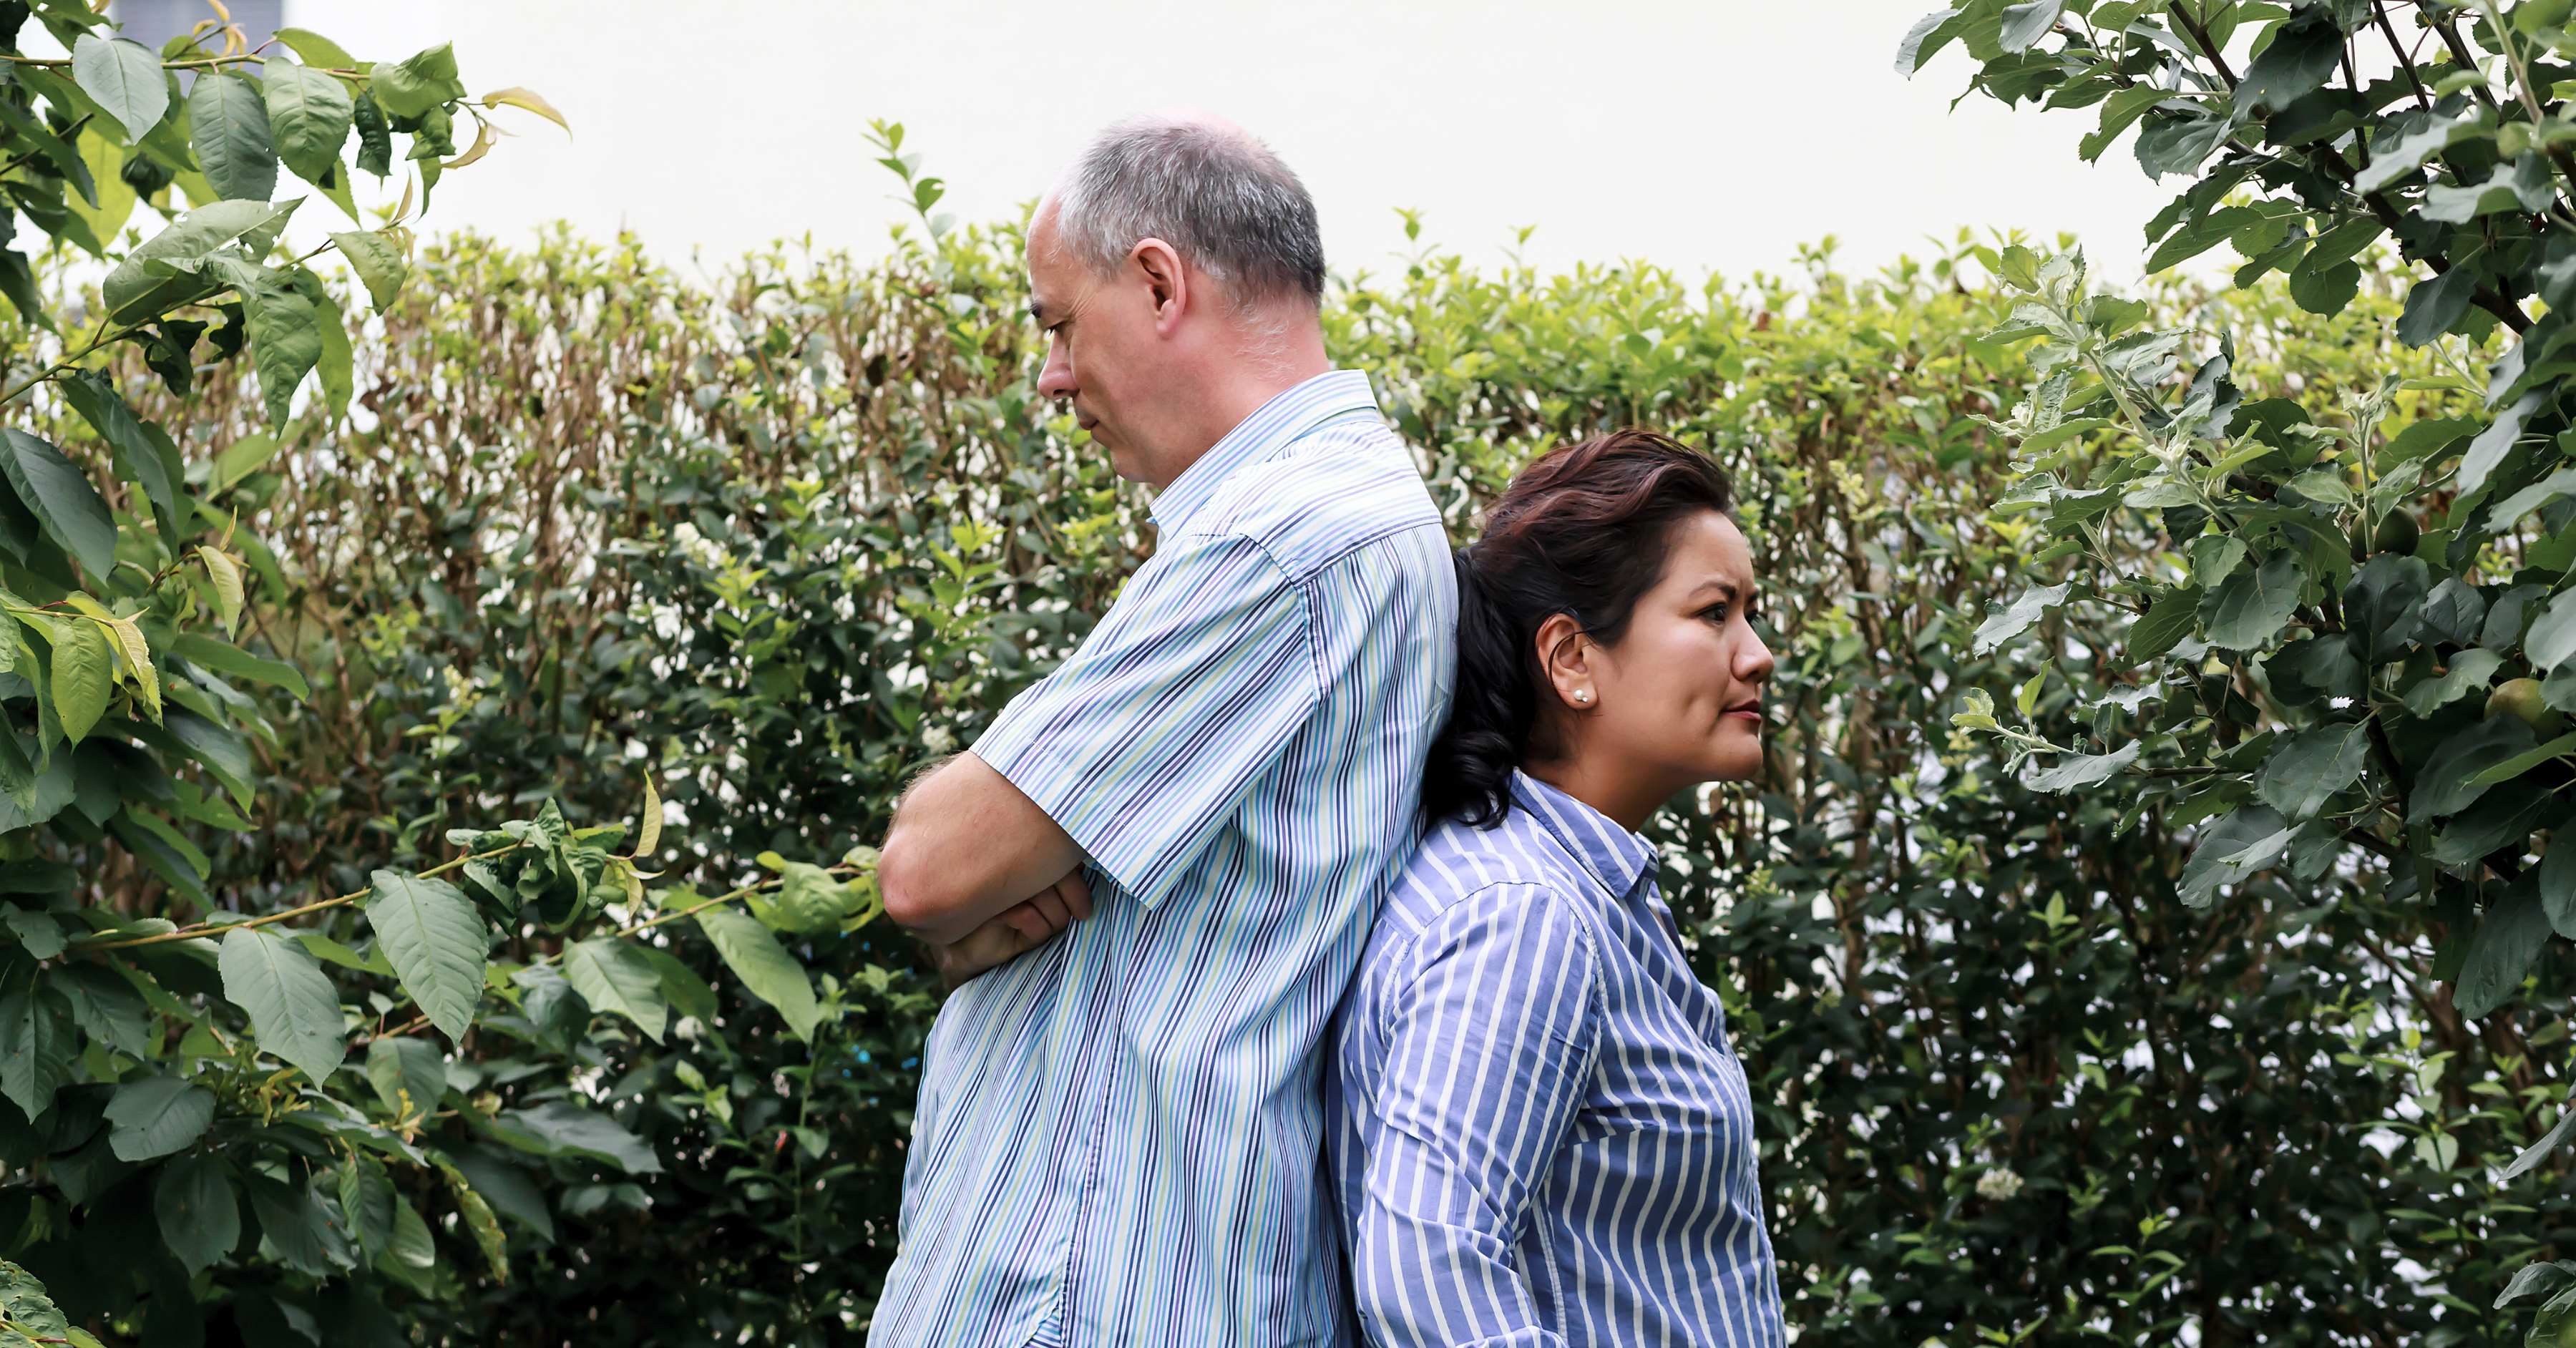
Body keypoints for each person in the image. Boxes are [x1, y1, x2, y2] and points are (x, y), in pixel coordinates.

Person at [869, 110, 1455, 1347]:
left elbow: (929, 867)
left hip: (1095, 1290)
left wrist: (975, 857)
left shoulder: (1280, 540)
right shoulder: (1326, 514)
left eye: (1059, 325)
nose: (1051, 376)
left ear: (1157, 283)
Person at [1327, 430, 1785, 1348]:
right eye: (1714, 613)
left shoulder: (1576, 890)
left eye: (1750, 612)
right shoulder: (1521, 913)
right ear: (1571, 659)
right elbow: (1424, 1268)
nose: (1759, 654)